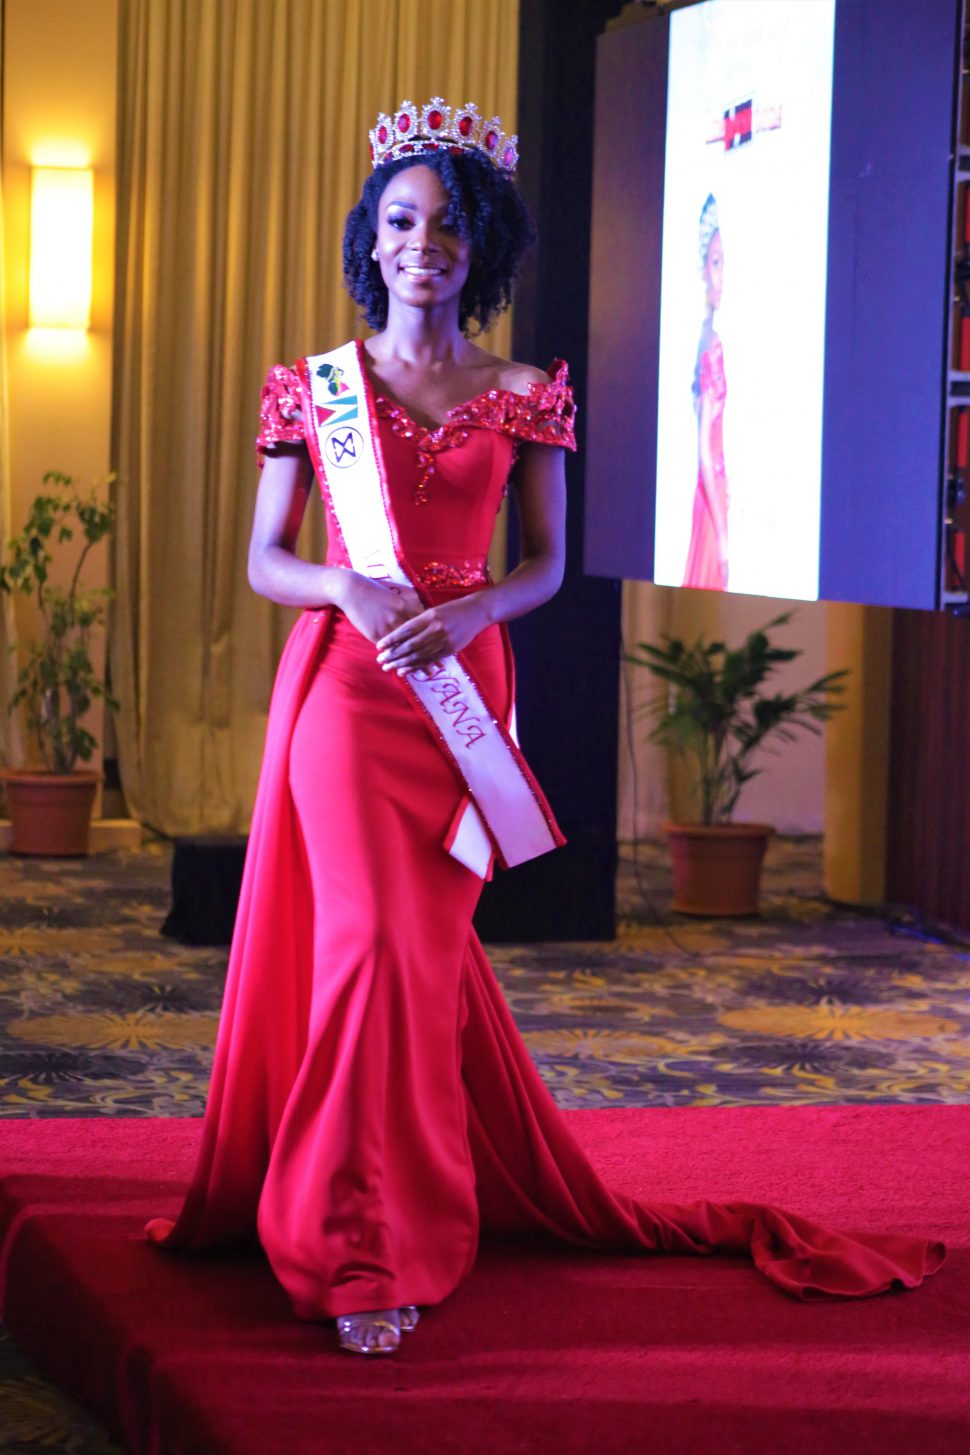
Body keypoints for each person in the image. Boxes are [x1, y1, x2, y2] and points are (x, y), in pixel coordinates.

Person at [146, 100, 944, 1357]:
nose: (424, 247)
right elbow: (265, 559)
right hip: (347, 700)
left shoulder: (527, 395)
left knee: (415, 967)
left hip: (460, 707)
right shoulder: (315, 391)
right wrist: (348, 585)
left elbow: (547, 567)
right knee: (360, 958)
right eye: (403, 223)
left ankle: (398, 1209)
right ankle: (353, 1245)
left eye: (449, 229)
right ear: (373, 238)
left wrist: (470, 617)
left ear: (481, 247)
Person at [683, 193, 729, 590]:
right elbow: (703, 448)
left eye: (724, 262)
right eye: (714, 262)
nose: (721, 275)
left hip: (715, 492)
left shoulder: (709, 339)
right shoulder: (709, 344)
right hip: (711, 496)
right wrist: (725, 537)